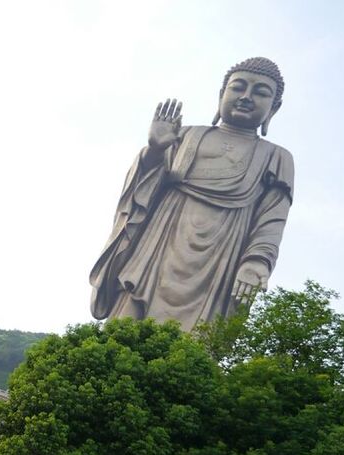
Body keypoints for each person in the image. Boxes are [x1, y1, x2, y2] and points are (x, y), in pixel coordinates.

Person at [90, 58, 294, 329]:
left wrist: (257, 261)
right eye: (238, 88)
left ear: (274, 108)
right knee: (125, 330)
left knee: (197, 344)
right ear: (221, 95)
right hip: (158, 248)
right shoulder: (183, 136)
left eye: (260, 92)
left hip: (219, 262)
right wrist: (155, 151)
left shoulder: (276, 157)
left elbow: (272, 219)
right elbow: (141, 196)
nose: (246, 97)